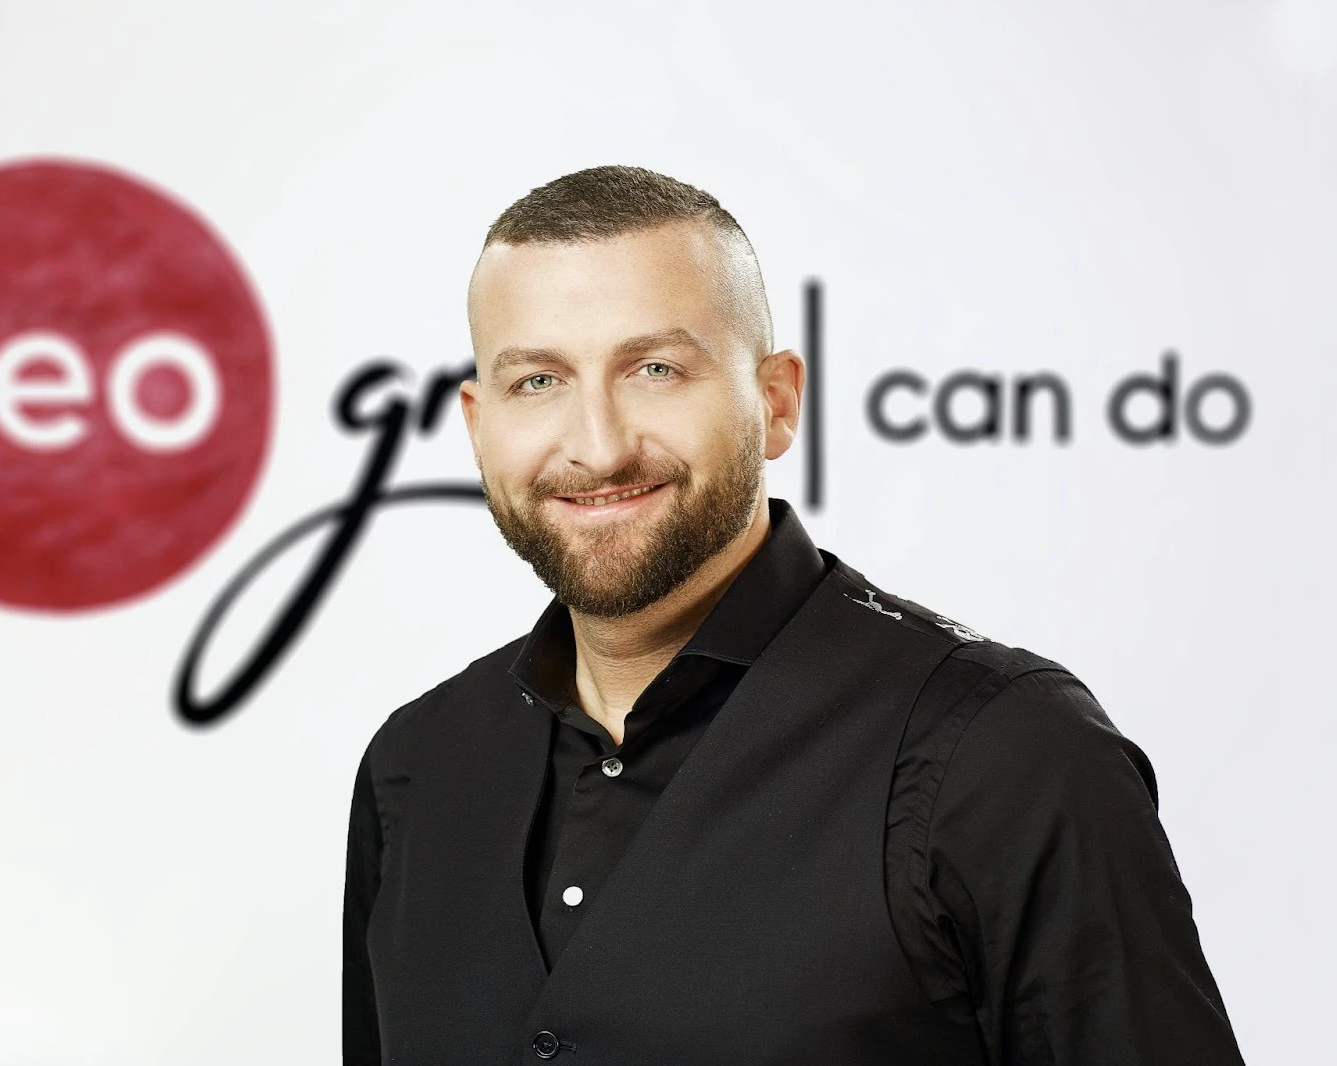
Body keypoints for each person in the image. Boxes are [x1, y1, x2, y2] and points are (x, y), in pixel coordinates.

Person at [342, 165, 1244, 1064]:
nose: (599, 446)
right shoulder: (412, 769)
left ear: (775, 402)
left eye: (655, 369)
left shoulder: (1011, 754)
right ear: (478, 423)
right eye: (538, 381)